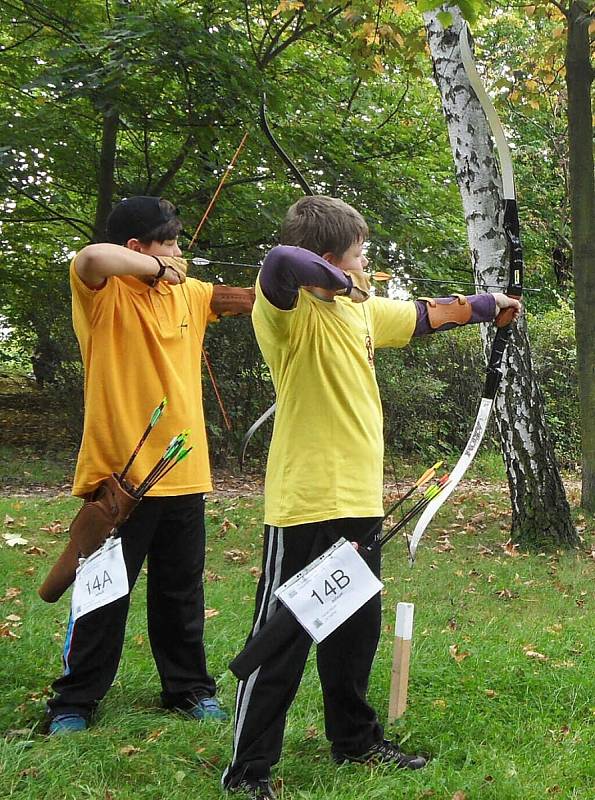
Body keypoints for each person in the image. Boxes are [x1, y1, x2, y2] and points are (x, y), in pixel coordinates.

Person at [222, 195, 522, 798]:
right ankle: (247, 768)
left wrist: (488, 306)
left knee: (353, 631)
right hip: (305, 500)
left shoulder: (360, 313)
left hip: (360, 500)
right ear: (331, 259)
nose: (368, 264)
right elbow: (281, 261)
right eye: (360, 253)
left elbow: (422, 316)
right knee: (282, 638)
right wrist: (336, 279)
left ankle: (355, 743)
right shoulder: (286, 313)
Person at [46, 196, 254, 734]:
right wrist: (158, 268)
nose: (180, 253)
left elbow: (253, 300)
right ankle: (74, 700)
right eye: (171, 242)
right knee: (103, 592)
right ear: (138, 247)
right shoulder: (102, 292)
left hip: (184, 471)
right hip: (120, 478)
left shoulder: (192, 293)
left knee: (180, 591)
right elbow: (94, 257)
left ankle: (187, 689)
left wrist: (310, 279)